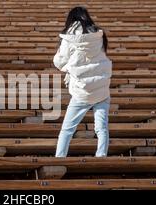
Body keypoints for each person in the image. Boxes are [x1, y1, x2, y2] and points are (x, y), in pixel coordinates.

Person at [54, 6, 112, 157]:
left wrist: (68, 68)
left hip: (82, 91)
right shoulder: (99, 34)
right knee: (102, 128)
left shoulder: (70, 37)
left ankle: (60, 157)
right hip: (102, 88)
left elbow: (59, 61)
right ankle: (101, 156)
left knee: (67, 129)